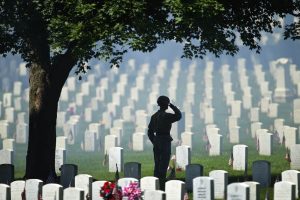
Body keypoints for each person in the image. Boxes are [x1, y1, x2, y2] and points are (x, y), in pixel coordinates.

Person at [148, 95, 182, 190]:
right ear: (166, 104)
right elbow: (179, 116)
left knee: (157, 164)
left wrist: (154, 140)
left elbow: (150, 131)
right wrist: (172, 105)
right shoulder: (166, 116)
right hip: (165, 141)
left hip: (157, 140)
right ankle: (161, 187)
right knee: (163, 165)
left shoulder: (154, 116)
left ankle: (156, 185)